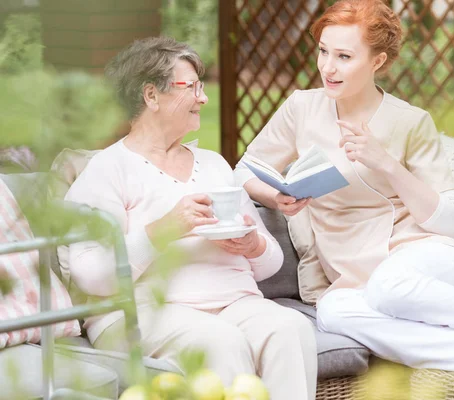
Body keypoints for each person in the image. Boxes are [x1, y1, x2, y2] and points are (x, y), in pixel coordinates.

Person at [234, 0, 454, 378]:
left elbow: (449, 221)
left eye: (344, 56)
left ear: (377, 62)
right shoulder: (301, 108)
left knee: (391, 285)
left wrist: (383, 162)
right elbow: (244, 170)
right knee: (333, 312)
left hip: (428, 257)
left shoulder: (411, 122)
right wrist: (275, 197)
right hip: (355, 278)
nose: (327, 67)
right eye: (323, 51)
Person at [60, 37, 317, 400]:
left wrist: (252, 244)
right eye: (192, 87)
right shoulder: (107, 169)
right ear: (151, 96)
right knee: (219, 342)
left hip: (235, 302)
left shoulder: (213, 164)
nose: (204, 97)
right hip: (145, 312)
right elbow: (90, 274)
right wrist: (163, 230)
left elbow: (269, 263)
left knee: (290, 328)